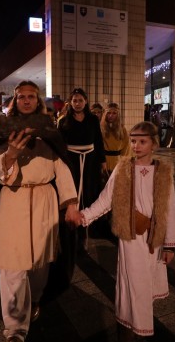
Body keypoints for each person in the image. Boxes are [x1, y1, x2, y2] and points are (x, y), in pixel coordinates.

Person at [0, 81, 79, 342]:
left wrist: (71, 204)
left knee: (39, 263)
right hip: (13, 199)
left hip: (43, 200)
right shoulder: (5, 128)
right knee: (12, 264)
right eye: (21, 97)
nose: (26, 101)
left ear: (38, 101)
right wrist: (11, 155)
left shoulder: (49, 130)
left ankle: (35, 299)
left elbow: (61, 167)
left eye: (31, 97)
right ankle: (15, 328)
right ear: (15, 101)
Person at [68, 121, 175, 341]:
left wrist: (169, 244)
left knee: (145, 284)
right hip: (130, 238)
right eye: (134, 141)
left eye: (142, 141)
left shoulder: (163, 171)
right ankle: (131, 329)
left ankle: (135, 328)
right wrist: (85, 216)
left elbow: (169, 209)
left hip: (153, 238)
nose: (136, 145)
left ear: (154, 144)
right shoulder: (123, 167)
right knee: (132, 284)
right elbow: (106, 200)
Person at [57, 88, 107, 251]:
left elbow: (98, 140)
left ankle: (86, 230)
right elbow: (60, 145)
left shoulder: (93, 119)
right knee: (73, 194)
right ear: (70, 102)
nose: (77, 103)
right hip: (71, 161)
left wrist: (102, 160)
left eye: (80, 100)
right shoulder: (64, 121)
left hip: (91, 161)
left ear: (86, 101)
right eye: (74, 100)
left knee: (88, 193)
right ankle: (72, 234)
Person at [101, 103, 130, 175]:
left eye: (114, 113)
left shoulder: (122, 129)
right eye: (109, 113)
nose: (111, 115)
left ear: (118, 115)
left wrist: (123, 162)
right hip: (103, 161)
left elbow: (126, 147)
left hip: (117, 161)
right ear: (105, 114)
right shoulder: (101, 128)